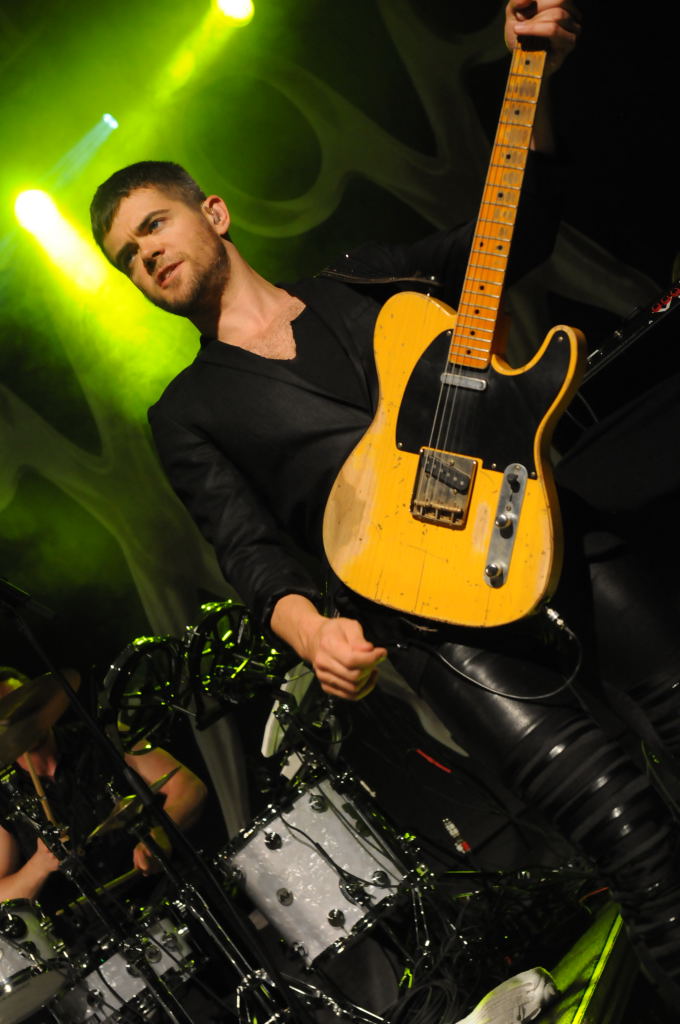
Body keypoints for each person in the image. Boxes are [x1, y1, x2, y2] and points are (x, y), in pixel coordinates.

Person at [89, 0, 680, 1012]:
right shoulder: (186, 411)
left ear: (213, 213)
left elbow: (513, 232)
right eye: (126, 257)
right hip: (434, 618)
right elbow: (246, 548)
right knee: (629, 839)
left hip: (540, 520)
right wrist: (310, 629)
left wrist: (530, 79)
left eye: (154, 224)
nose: (146, 255)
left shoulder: (362, 278)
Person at [0, 666, 208, 911]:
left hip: (168, 892)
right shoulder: (6, 796)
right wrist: (38, 866)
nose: (20, 723)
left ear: (42, 704)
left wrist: (162, 833)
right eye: (8, 718)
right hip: (94, 925)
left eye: (24, 710)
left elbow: (188, 785)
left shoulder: (102, 736)